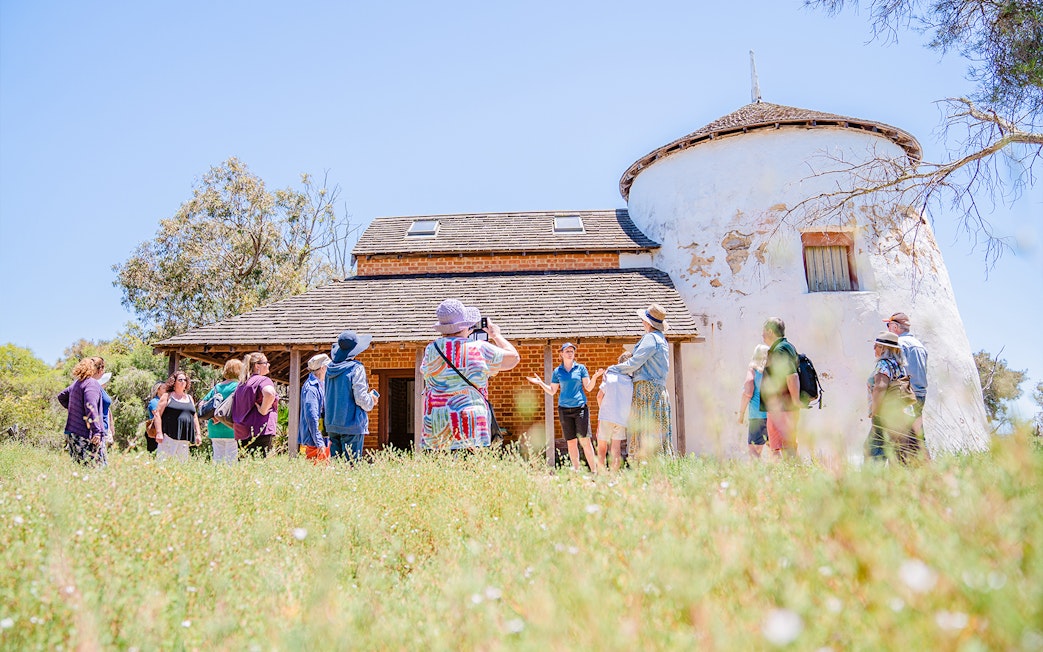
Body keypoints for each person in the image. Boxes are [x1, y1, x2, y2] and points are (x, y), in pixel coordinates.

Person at [421, 299, 519, 452]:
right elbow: (513, 358)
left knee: (440, 473)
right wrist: (495, 335)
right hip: (471, 425)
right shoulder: (478, 348)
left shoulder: (431, 350)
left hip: (436, 426)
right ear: (465, 325)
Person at [606, 303, 673, 460]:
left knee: (646, 431)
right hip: (658, 390)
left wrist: (614, 369)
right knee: (656, 432)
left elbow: (635, 362)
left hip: (647, 390)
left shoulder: (650, 338)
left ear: (647, 322)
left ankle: (645, 467)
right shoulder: (661, 339)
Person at [527, 342, 603, 472]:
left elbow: (589, 388)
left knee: (585, 441)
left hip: (580, 409)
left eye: (571, 351)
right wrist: (540, 383)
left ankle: (595, 472)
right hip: (564, 410)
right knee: (571, 442)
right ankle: (576, 471)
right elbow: (552, 391)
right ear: (561, 354)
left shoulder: (581, 368)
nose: (569, 353)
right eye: (567, 351)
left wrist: (595, 377)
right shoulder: (558, 371)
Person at [866, 331, 923, 464]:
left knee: (874, 452)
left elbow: (880, 388)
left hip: (885, 414)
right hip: (900, 414)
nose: (874, 349)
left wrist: (875, 412)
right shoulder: (898, 366)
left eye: (876, 346)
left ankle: (872, 481)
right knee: (898, 452)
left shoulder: (883, 365)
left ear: (883, 348)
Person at [325, 332, 377, 462]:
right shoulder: (356, 368)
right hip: (352, 424)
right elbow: (360, 398)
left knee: (337, 466)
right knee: (352, 466)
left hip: (332, 424)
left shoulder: (328, 370)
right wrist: (371, 400)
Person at [759, 317, 801, 458]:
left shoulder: (780, 349)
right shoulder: (786, 347)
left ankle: (785, 476)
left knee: (780, 447)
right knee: (786, 446)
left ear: (770, 331)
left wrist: (795, 401)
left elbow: (792, 375)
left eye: (764, 331)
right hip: (783, 407)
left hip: (782, 407)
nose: (762, 335)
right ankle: (792, 475)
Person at [885, 312, 929, 446]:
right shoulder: (920, 346)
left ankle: (902, 466)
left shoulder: (898, 344)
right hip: (920, 394)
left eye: (888, 325)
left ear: (894, 326)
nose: (888, 328)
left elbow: (895, 371)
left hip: (905, 396)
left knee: (899, 438)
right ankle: (924, 464)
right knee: (917, 436)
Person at [57, 356, 108, 466]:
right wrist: (96, 431)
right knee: (96, 470)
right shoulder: (92, 383)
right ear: (99, 369)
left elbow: (61, 397)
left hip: (73, 433)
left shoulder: (77, 383)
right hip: (85, 434)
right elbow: (91, 406)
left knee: (80, 469)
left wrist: (76, 411)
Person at [232, 352, 280, 457]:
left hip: (242, 432)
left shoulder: (242, 384)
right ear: (257, 366)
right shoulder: (263, 380)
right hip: (260, 430)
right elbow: (270, 393)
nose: (269, 365)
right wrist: (264, 409)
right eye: (266, 363)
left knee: (246, 467)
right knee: (260, 466)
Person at [595, 350, 633, 473]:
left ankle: (601, 475)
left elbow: (599, 396)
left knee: (602, 447)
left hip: (606, 416)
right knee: (616, 448)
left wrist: (602, 412)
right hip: (621, 419)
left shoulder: (609, 376)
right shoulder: (631, 382)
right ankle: (613, 476)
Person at [200, 358, 242, 465]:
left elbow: (202, 404)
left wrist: (214, 417)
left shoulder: (217, 387)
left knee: (217, 460)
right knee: (231, 462)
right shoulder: (239, 387)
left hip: (214, 428)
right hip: (231, 427)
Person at [153, 371, 201, 461]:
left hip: (184, 438)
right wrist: (159, 433)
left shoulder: (189, 398)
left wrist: (198, 434)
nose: (183, 381)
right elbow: (157, 414)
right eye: (180, 380)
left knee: (181, 465)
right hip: (168, 437)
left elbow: (194, 416)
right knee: (163, 463)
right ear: (174, 382)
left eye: (185, 380)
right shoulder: (167, 396)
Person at [738, 344, 770, 458]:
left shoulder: (753, 370)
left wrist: (741, 414)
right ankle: (780, 474)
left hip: (757, 417)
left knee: (754, 452)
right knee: (775, 450)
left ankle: (758, 476)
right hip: (773, 416)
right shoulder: (772, 372)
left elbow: (748, 391)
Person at [300, 353, 331, 463]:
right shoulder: (311, 388)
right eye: (329, 367)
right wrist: (319, 442)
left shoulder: (320, 384)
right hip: (315, 442)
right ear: (323, 368)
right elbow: (312, 416)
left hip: (322, 437)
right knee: (317, 472)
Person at [144, 381, 165, 453]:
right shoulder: (154, 402)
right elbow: (157, 415)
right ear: (158, 390)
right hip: (154, 431)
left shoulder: (166, 401)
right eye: (164, 388)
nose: (166, 390)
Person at [99, 371, 115, 446]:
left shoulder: (103, 392)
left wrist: (111, 424)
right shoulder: (96, 391)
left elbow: (108, 409)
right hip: (100, 427)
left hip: (106, 424)